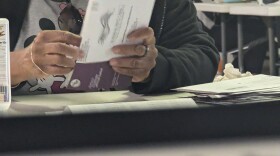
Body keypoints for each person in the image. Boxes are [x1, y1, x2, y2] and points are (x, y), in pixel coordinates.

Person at [0, 0, 219, 95]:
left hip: (130, 134)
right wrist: (15, 65)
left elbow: (203, 56)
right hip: (26, 136)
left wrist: (153, 68)